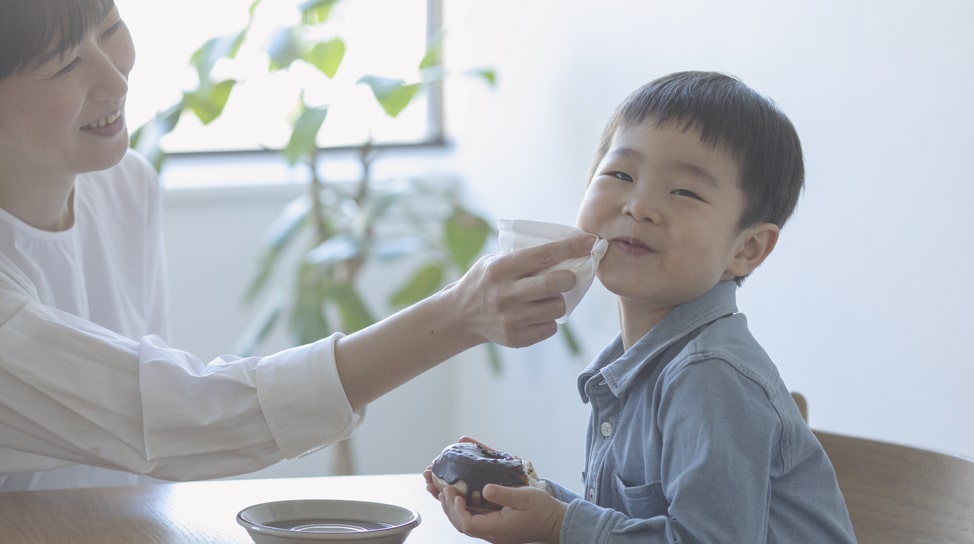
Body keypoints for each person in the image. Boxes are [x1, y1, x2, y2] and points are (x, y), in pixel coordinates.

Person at [0, 0, 596, 491]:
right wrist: (459, 316)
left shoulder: (124, 185)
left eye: (111, 30)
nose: (115, 77)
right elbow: (176, 418)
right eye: (64, 65)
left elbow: (139, 452)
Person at [425, 71, 875, 544]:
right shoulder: (638, 361)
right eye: (619, 176)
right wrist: (536, 500)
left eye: (684, 191)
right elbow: (643, 540)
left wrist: (558, 524)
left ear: (747, 249)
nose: (638, 206)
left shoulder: (710, 376)